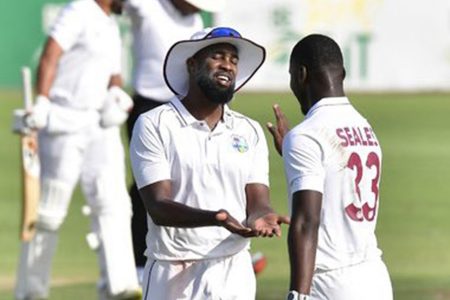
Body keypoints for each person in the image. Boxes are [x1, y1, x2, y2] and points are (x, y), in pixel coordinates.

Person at [129, 27, 290, 299]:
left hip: (233, 268)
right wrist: (216, 219)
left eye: (234, 59)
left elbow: (257, 200)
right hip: (172, 268)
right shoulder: (154, 123)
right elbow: (158, 206)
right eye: (218, 56)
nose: (228, 64)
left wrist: (262, 215)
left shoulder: (248, 130)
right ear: (192, 65)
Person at [14, 0, 140, 299]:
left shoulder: (110, 22)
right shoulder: (79, 10)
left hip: (99, 123)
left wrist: (115, 92)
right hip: (63, 119)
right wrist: (43, 100)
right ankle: (31, 291)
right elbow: (50, 55)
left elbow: (113, 71)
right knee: (48, 211)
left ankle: (120, 286)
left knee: (114, 204)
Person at [266, 34, 393, 300]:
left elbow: (306, 222)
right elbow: (337, 177)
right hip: (375, 278)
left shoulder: (307, 135)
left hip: (331, 283)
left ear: (301, 74)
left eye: (291, 76)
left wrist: (298, 295)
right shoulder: (365, 127)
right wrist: (290, 152)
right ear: (342, 73)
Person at [123, 0, 225, 280]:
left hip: (184, 106)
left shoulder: (194, 20)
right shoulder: (146, 5)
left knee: (198, 174)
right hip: (147, 104)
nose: (197, 8)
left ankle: (210, 247)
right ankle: (140, 262)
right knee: (148, 186)